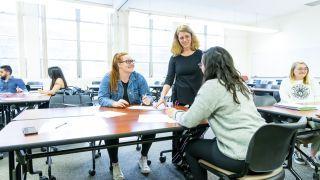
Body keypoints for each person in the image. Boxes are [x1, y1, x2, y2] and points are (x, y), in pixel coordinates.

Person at [166, 46, 265, 180]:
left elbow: (188, 122)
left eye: (202, 64)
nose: (201, 67)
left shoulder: (212, 86)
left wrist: (173, 113)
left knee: (190, 147)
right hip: (266, 153)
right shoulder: (241, 84)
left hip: (241, 158)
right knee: (212, 141)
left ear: (208, 66)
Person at [98, 52, 155, 180]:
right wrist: (114, 102)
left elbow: (150, 96)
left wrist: (148, 100)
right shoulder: (109, 77)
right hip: (115, 116)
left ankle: (143, 158)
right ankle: (115, 164)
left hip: (134, 116)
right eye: (128, 61)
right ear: (119, 64)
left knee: (151, 129)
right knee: (111, 132)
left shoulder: (138, 77)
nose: (132, 63)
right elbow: (101, 98)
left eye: (132, 60)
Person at [279, 61, 320, 167]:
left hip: (312, 110)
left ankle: (313, 156)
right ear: (293, 70)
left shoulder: (312, 81)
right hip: (293, 112)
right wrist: (299, 104)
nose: (303, 70)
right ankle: (297, 152)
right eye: (300, 68)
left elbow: (318, 98)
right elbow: (285, 99)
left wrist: (307, 103)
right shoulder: (286, 82)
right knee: (305, 127)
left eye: (305, 68)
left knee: (318, 128)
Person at [156, 24, 203, 107]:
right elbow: (169, 79)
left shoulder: (201, 55)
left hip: (198, 98)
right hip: (179, 99)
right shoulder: (175, 57)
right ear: (177, 40)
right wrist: (162, 96)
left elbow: (209, 75)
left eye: (187, 36)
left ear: (192, 37)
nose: (184, 40)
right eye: (181, 37)